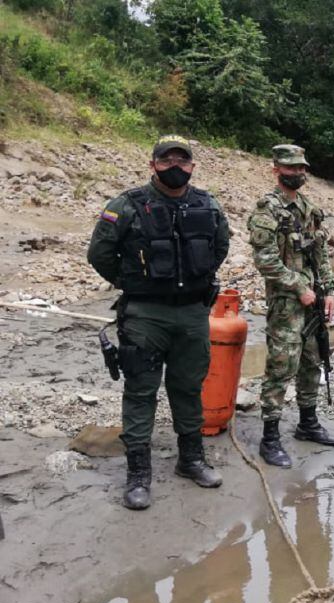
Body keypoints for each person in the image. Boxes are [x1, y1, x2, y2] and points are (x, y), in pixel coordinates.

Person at [87, 135, 230, 510]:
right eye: (167, 161)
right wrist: (130, 280)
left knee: (188, 387)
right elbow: (99, 252)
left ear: (193, 167)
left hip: (193, 313)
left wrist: (198, 278)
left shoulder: (207, 204)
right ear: (153, 165)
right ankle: (138, 475)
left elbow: (221, 246)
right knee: (141, 391)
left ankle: (191, 460)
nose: (175, 168)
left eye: (183, 161)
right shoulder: (128, 205)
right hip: (146, 314)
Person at [247, 144, 334, 468]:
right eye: (290, 168)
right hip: (286, 302)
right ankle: (270, 438)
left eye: (301, 168)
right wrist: (299, 286)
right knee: (281, 364)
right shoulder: (266, 210)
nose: (297, 173)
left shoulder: (309, 209)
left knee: (312, 360)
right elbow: (266, 261)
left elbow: (321, 254)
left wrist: (328, 290)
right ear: (276, 170)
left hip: (313, 300)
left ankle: (307, 423)